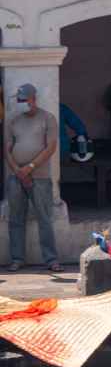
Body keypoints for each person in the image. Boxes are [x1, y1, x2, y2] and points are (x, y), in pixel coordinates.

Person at [4, 84, 60, 272]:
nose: (21, 103)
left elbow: (50, 147)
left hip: (40, 176)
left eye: (23, 99)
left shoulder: (48, 118)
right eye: (18, 99)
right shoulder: (13, 121)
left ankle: (51, 260)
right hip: (15, 176)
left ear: (32, 98)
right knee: (16, 218)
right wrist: (18, 171)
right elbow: (7, 149)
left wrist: (30, 168)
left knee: (44, 218)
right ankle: (17, 258)